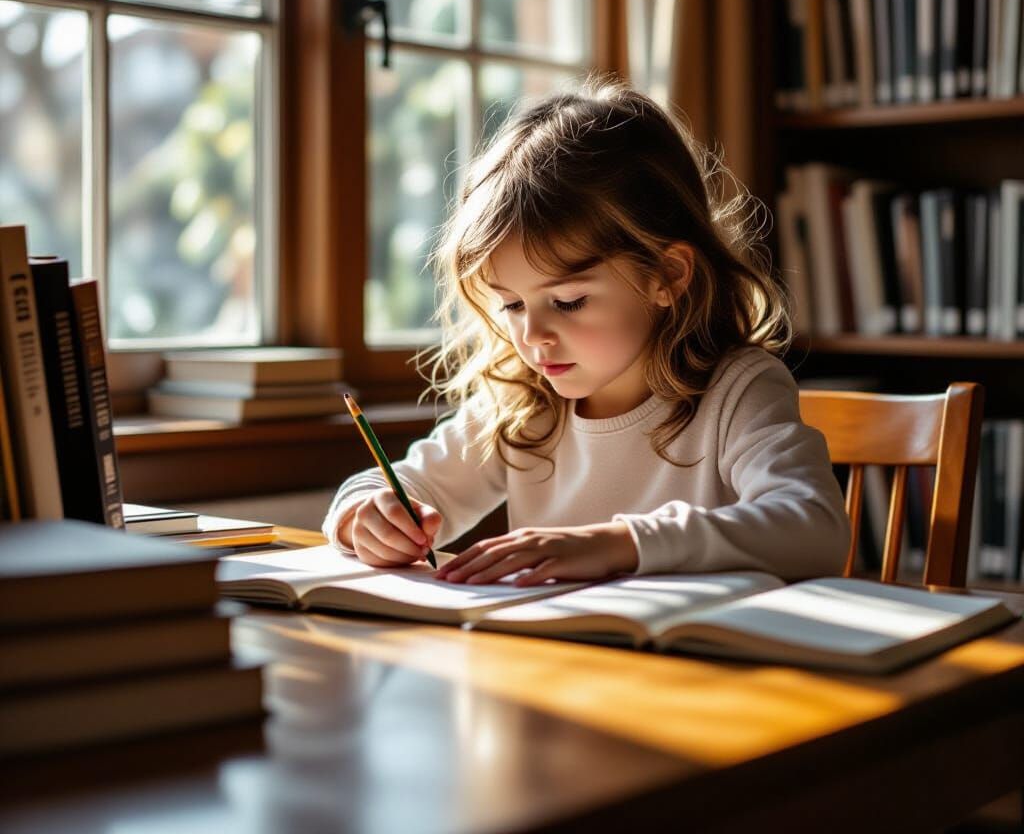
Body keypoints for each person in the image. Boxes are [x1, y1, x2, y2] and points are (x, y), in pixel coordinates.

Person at [323, 78, 850, 585]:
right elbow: (397, 484)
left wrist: (619, 544)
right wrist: (363, 515)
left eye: (568, 301)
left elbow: (816, 528)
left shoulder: (738, 389)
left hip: (692, 668)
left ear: (667, 275)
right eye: (510, 304)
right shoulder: (523, 403)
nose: (532, 335)